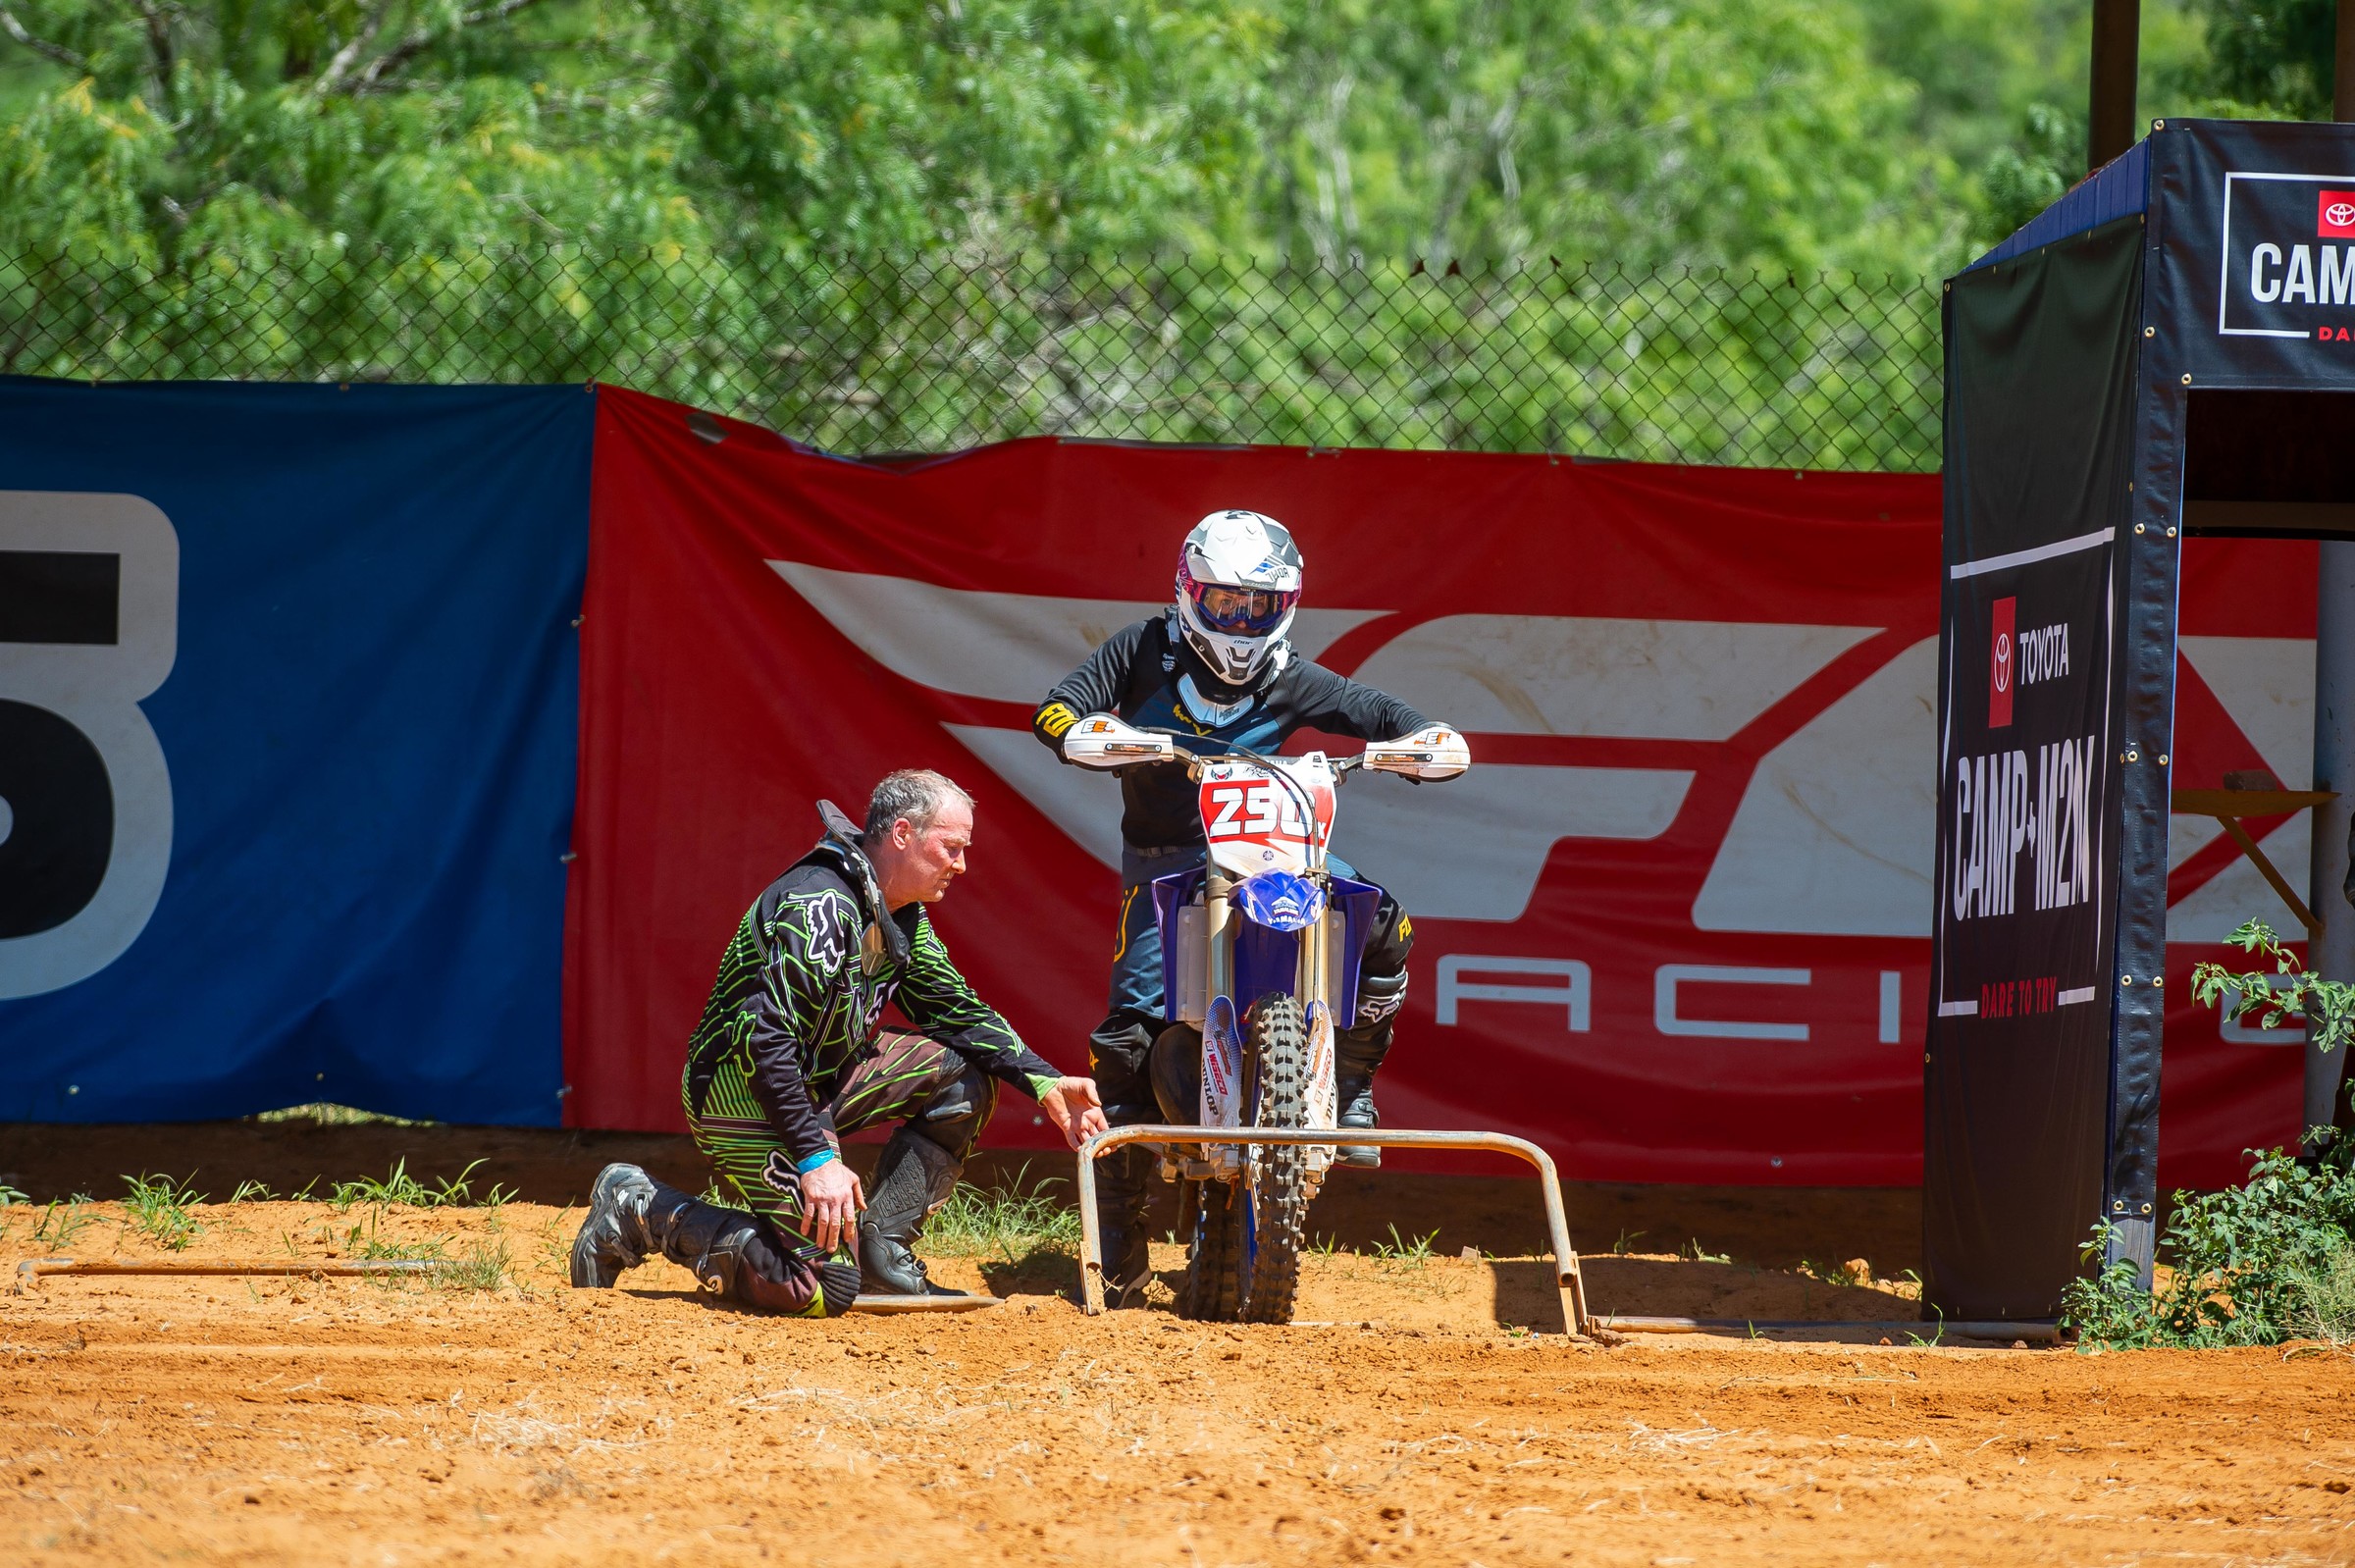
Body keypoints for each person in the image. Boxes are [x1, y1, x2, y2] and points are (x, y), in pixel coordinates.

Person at [1030, 509, 1464, 1307]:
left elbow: (1384, 714)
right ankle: (1119, 1242)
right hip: (1169, 861)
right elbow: (1057, 710)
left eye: (1257, 607)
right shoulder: (1141, 650)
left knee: (1385, 922)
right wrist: (1098, 734)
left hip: (1281, 851)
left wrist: (1421, 739)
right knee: (1127, 1033)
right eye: (1224, 604)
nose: (1239, 622)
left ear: (1287, 605)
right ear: (1189, 592)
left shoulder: (1293, 674)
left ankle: (1356, 1086)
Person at [570, 769, 1106, 1315]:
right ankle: (639, 1209)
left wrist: (1044, 1081)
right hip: (740, 1093)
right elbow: (766, 1039)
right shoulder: (821, 904)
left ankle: (883, 1256)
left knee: (961, 1076)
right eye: (951, 848)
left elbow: (956, 1010)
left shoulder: (897, 913)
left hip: (816, 1084)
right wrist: (814, 1157)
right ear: (902, 834)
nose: (961, 865)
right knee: (819, 1292)